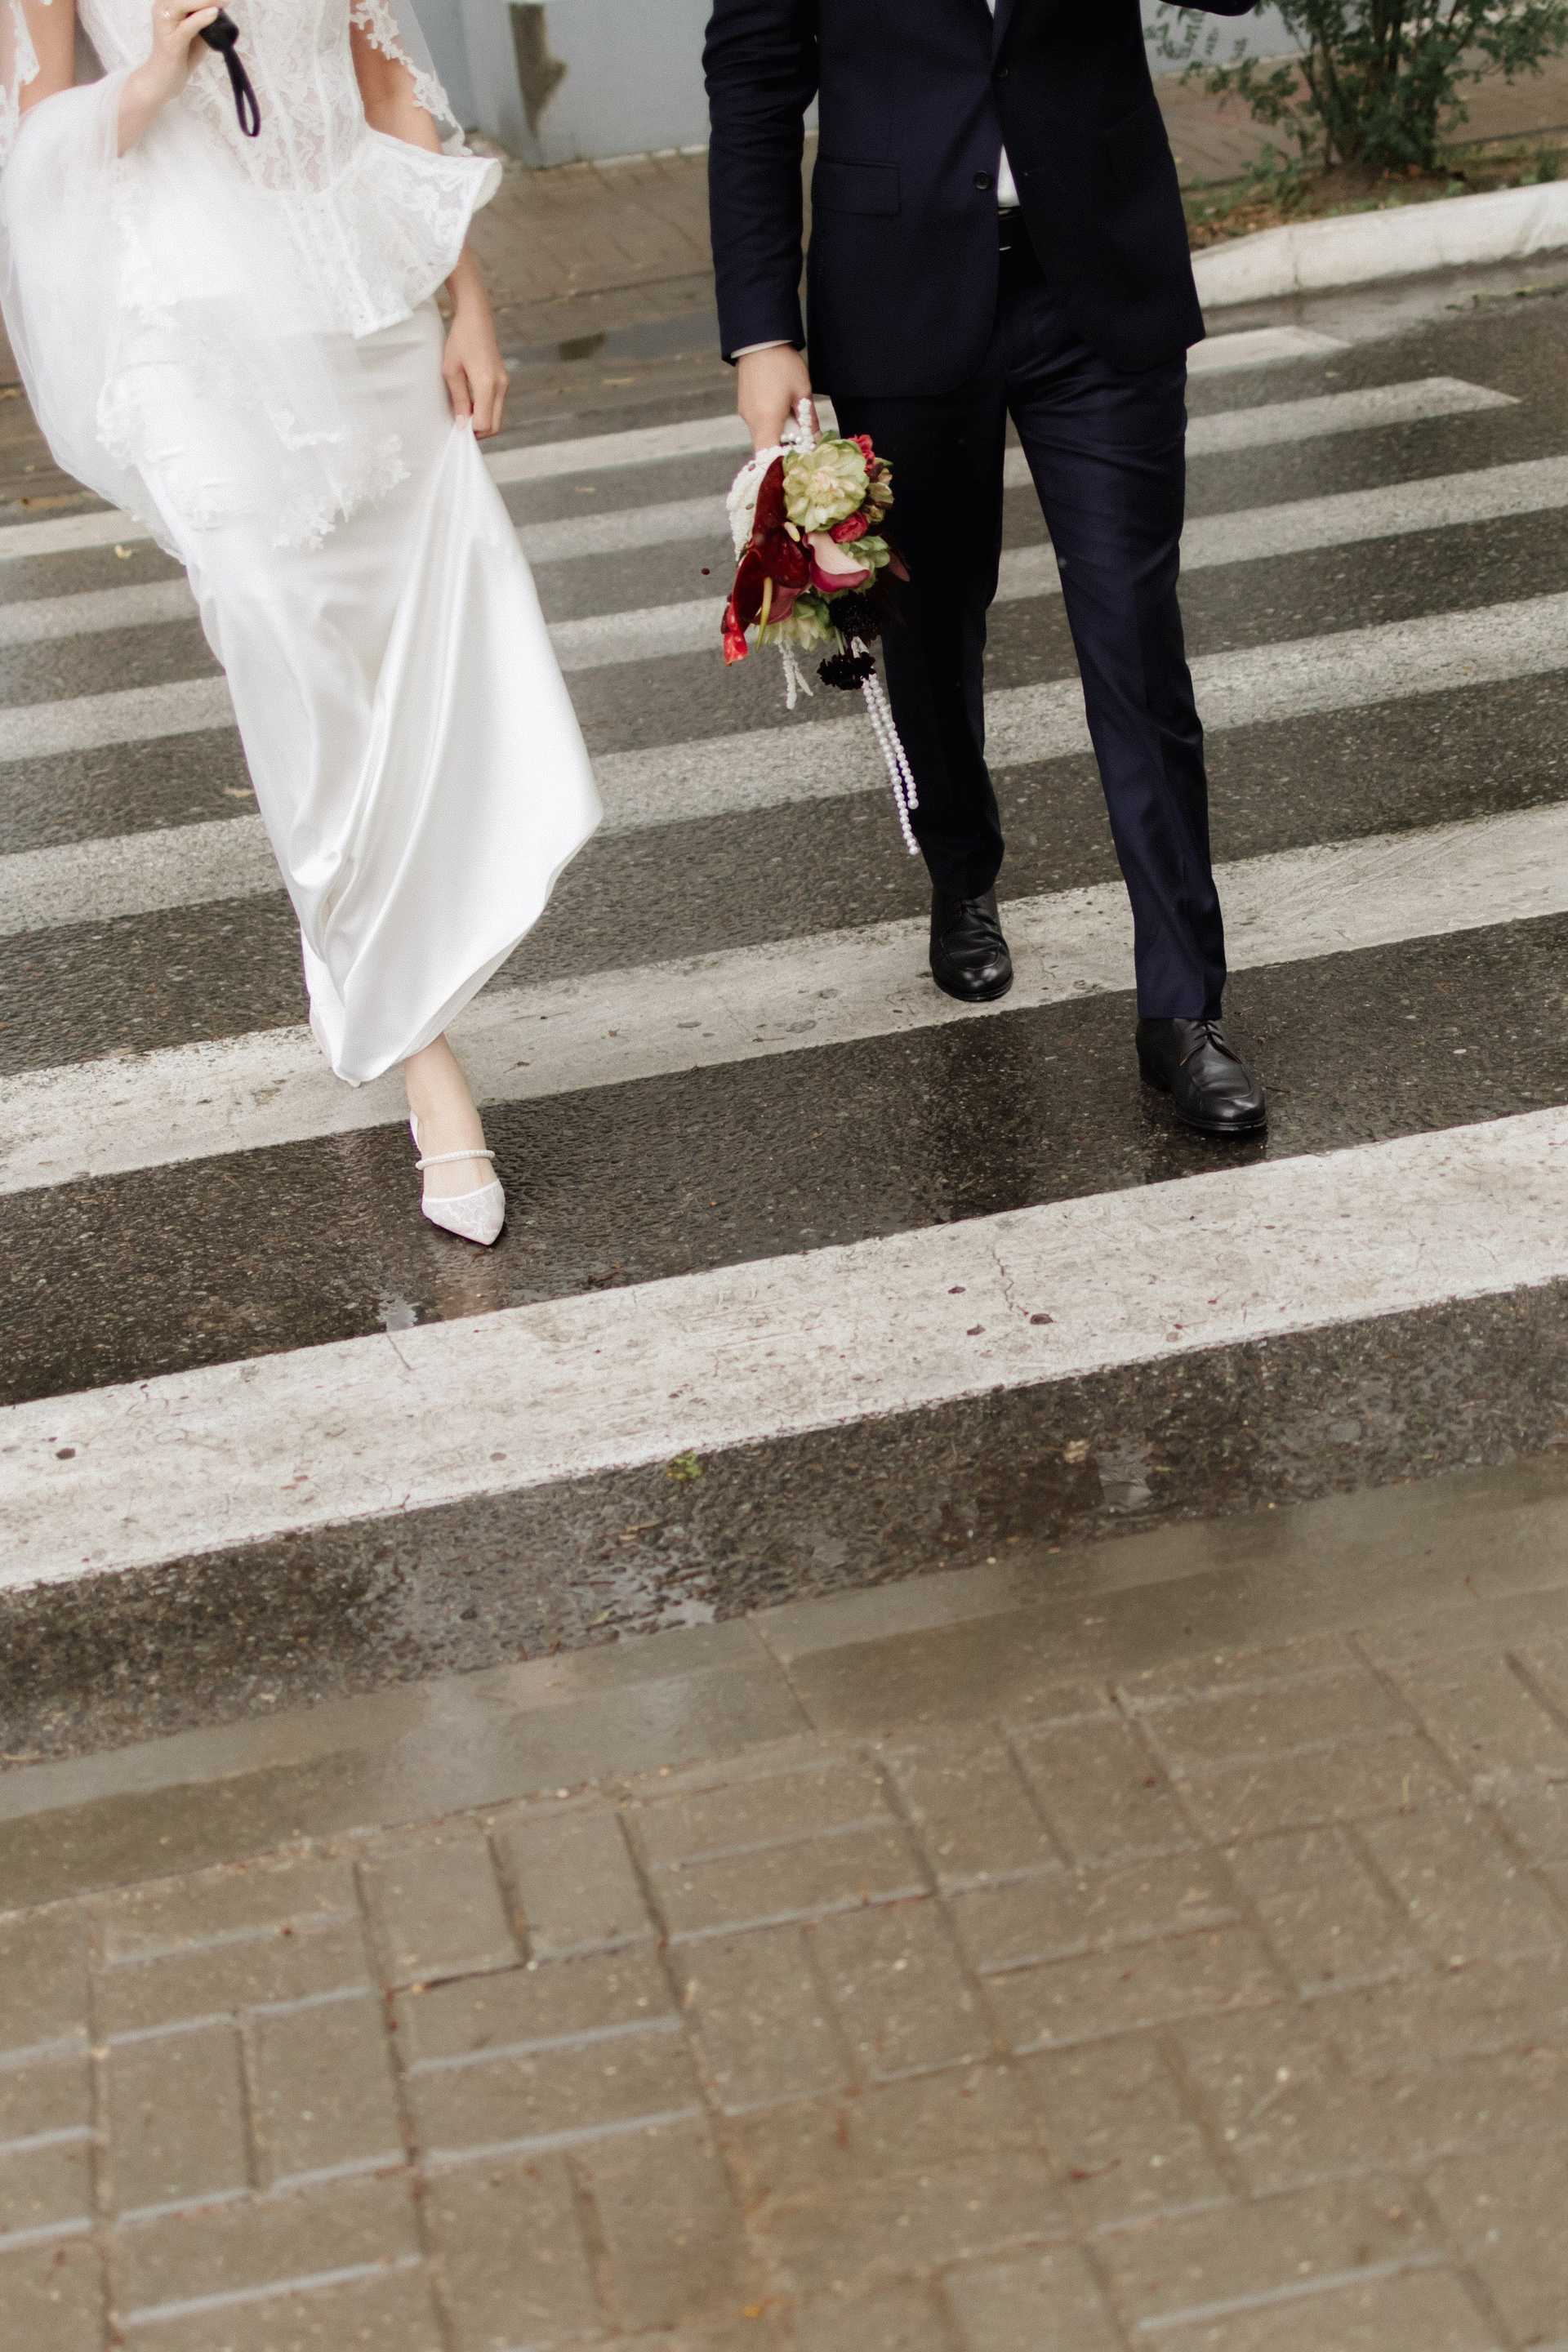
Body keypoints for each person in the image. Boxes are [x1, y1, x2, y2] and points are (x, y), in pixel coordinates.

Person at [1, 0, 601, 1241]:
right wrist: (147, 81)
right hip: (190, 340)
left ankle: (354, 955)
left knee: (408, 648)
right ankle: (426, 1058)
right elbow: (35, 148)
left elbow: (390, 97)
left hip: (365, 304)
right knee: (288, 659)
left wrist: (469, 300)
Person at [704, 0, 1267, 1136]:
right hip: (897, 283)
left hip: (1098, 271)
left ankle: (1183, 1008)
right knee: (930, 615)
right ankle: (961, 872)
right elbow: (754, 82)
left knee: (1135, 641)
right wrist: (763, 332)